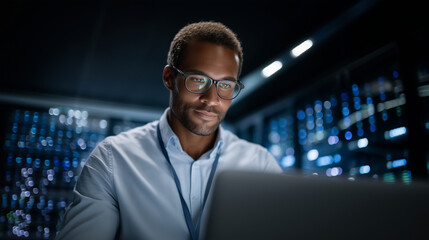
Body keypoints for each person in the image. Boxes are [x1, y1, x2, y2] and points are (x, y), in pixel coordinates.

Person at [54, 21, 282, 240]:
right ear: (169, 78)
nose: (211, 100)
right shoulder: (113, 159)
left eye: (225, 85)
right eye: (198, 80)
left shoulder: (259, 164)